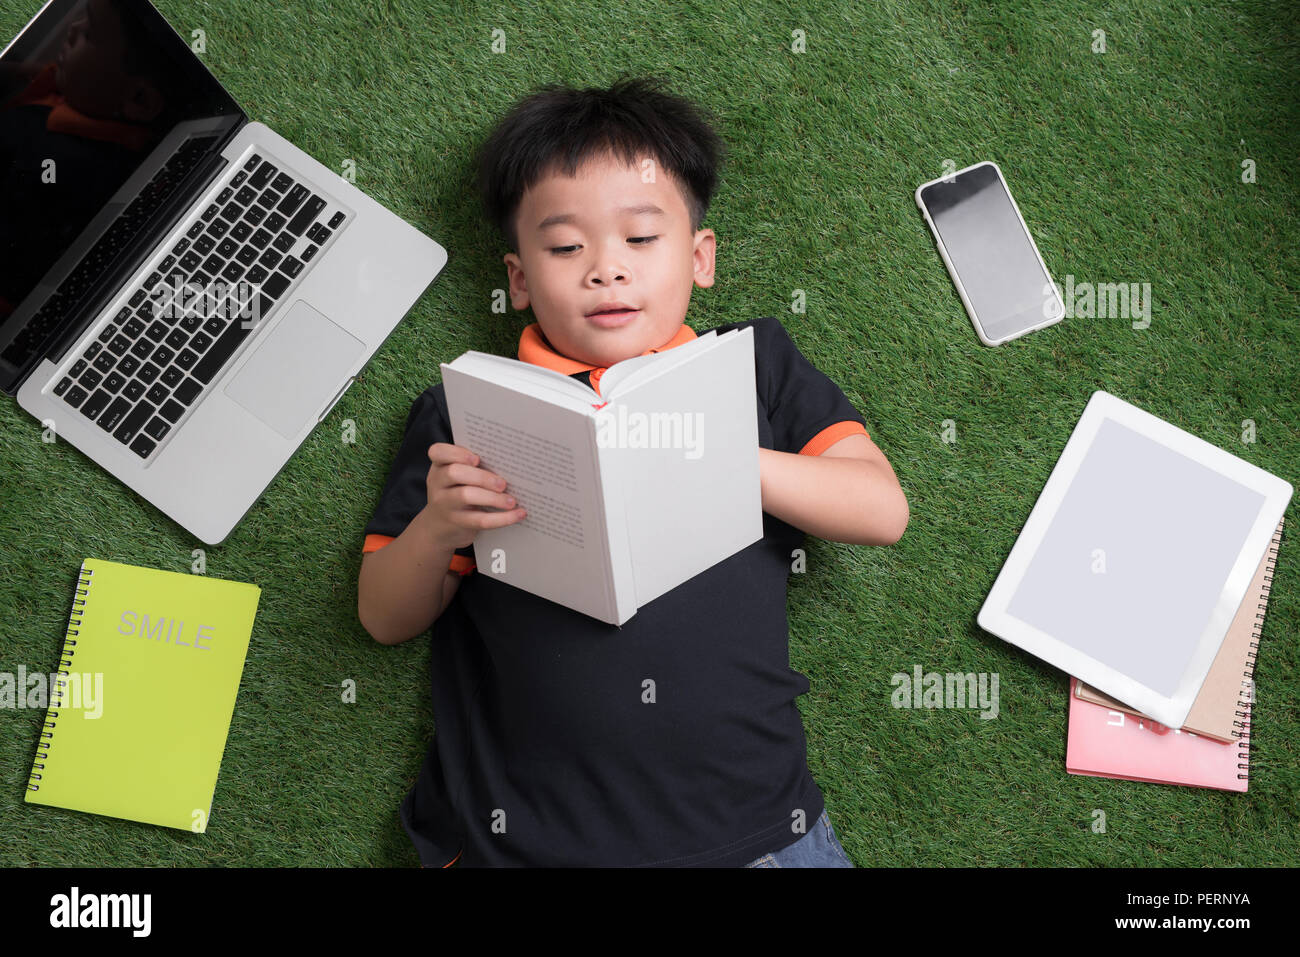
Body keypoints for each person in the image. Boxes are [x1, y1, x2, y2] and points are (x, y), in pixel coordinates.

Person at [357, 76, 908, 867]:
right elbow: (383, 615)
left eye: (641, 240)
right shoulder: (465, 410)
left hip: (752, 833)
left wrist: (723, 457)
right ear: (518, 278)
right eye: (565, 246)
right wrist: (440, 523)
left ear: (700, 257)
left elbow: (881, 509)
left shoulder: (752, 365)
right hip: (526, 844)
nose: (606, 270)